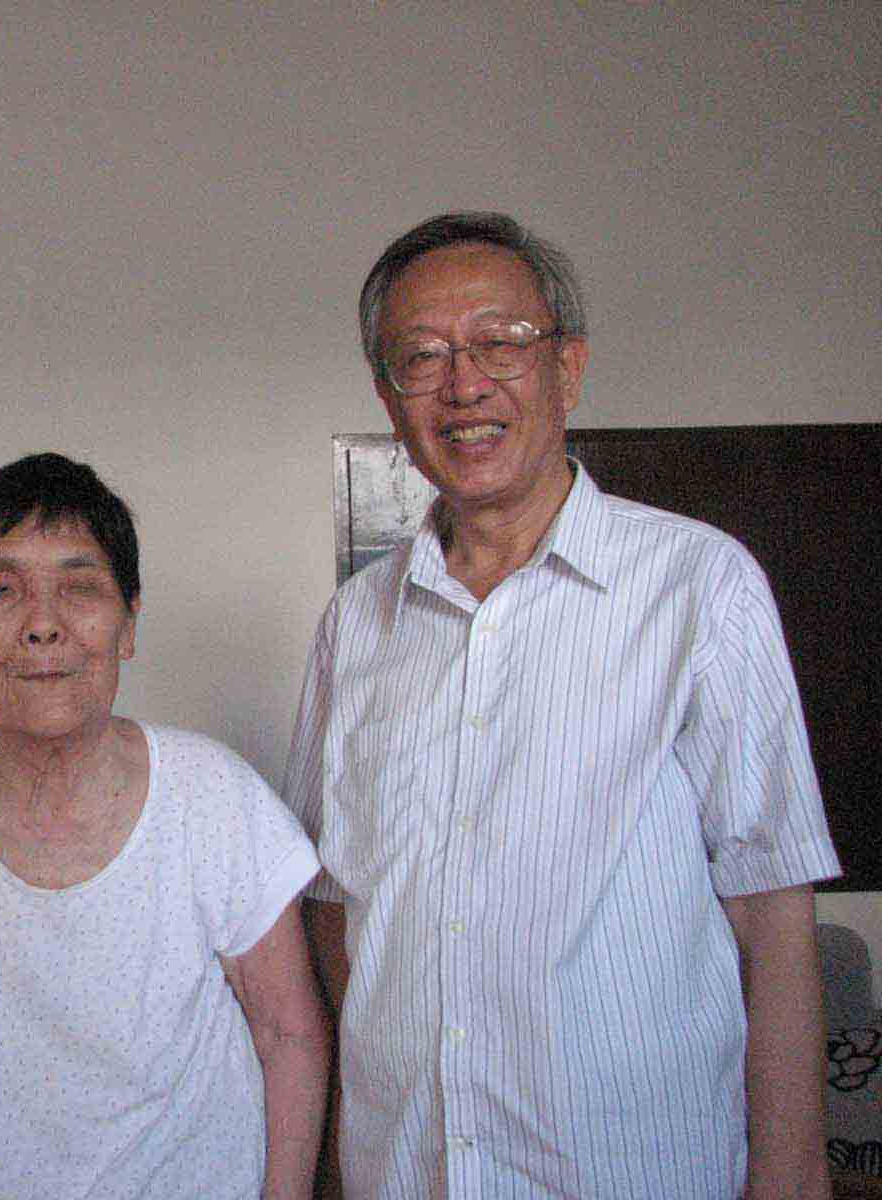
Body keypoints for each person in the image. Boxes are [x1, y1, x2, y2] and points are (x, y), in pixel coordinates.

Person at [283, 213, 840, 1199]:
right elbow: (334, 906)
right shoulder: (355, 624)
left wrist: (792, 1177)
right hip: (409, 1174)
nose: (463, 384)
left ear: (567, 367)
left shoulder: (699, 586)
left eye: (499, 342)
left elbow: (770, 907)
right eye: (422, 355)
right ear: (387, 394)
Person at [0, 452, 331, 1199]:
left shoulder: (217, 798)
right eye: (3, 590)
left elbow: (289, 1035)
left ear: (128, 624)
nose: (42, 626)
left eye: (80, 587)